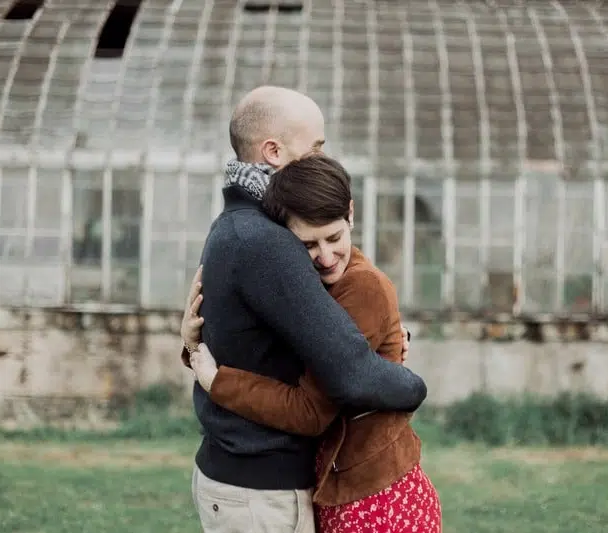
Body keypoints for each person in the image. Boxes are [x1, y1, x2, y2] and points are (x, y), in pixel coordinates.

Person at [181, 86, 428, 533]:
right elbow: (351, 374)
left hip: (248, 477)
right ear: (273, 151)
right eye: (315, 147)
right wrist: (410, 385)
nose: (321, 159)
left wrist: (382, 334)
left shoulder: (239, 225)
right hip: (259, 485)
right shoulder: (266, 242)